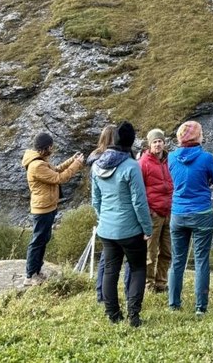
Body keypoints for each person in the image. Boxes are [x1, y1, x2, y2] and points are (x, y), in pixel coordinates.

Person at [91, 122, 153, 327]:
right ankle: (133, 316)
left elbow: (96, 200)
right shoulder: (131, 166)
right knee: (137, 269)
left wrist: (104, 219)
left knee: (110, 270)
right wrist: (147, 228)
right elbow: (139, 201)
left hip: (106, 230)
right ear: (130, 142)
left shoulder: (97, 165)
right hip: (130, 230)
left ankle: (113, 315)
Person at [168, 120, 213, 316]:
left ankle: (174, 304)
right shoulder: (206, 158)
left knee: (177, 260)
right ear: (197, 137)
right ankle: (200, 307)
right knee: (201, 259)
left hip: (178, 213)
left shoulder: (171, 157)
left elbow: (172, 177)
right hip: (201, 212)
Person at [22, 132, 85, 286]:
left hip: (48, 207)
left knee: (43, 239)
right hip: (42, 209)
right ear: (46, 147)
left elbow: (55, 170)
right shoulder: (37, 165)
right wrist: (77, 165)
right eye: (51, 146)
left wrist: (72, 160)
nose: (52, 149)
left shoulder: (41, 160)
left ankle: (37, 270)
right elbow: (59, 178)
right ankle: (30, 276)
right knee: (37, 241)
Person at [87, 125, 129, 303]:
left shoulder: (95, 160)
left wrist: (100, 213)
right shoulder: (117, 159)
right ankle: (125, 294)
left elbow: (95, 196)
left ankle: (101, 294)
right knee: (121, 258)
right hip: (119, 214)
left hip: (105, 213)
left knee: (107, 258)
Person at [139, 128, 173, 293]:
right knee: (150, 253)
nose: (158, 144)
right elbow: (139, 190)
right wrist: (149, 211)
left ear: (164, 142)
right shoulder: (143, 163)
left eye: (160, 141)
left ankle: (161, 283)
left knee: (166, 251)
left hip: (169, 212)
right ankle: (148, 284)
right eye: (155, 142)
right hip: (154, 214)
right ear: (149, 144)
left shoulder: (169, 160)